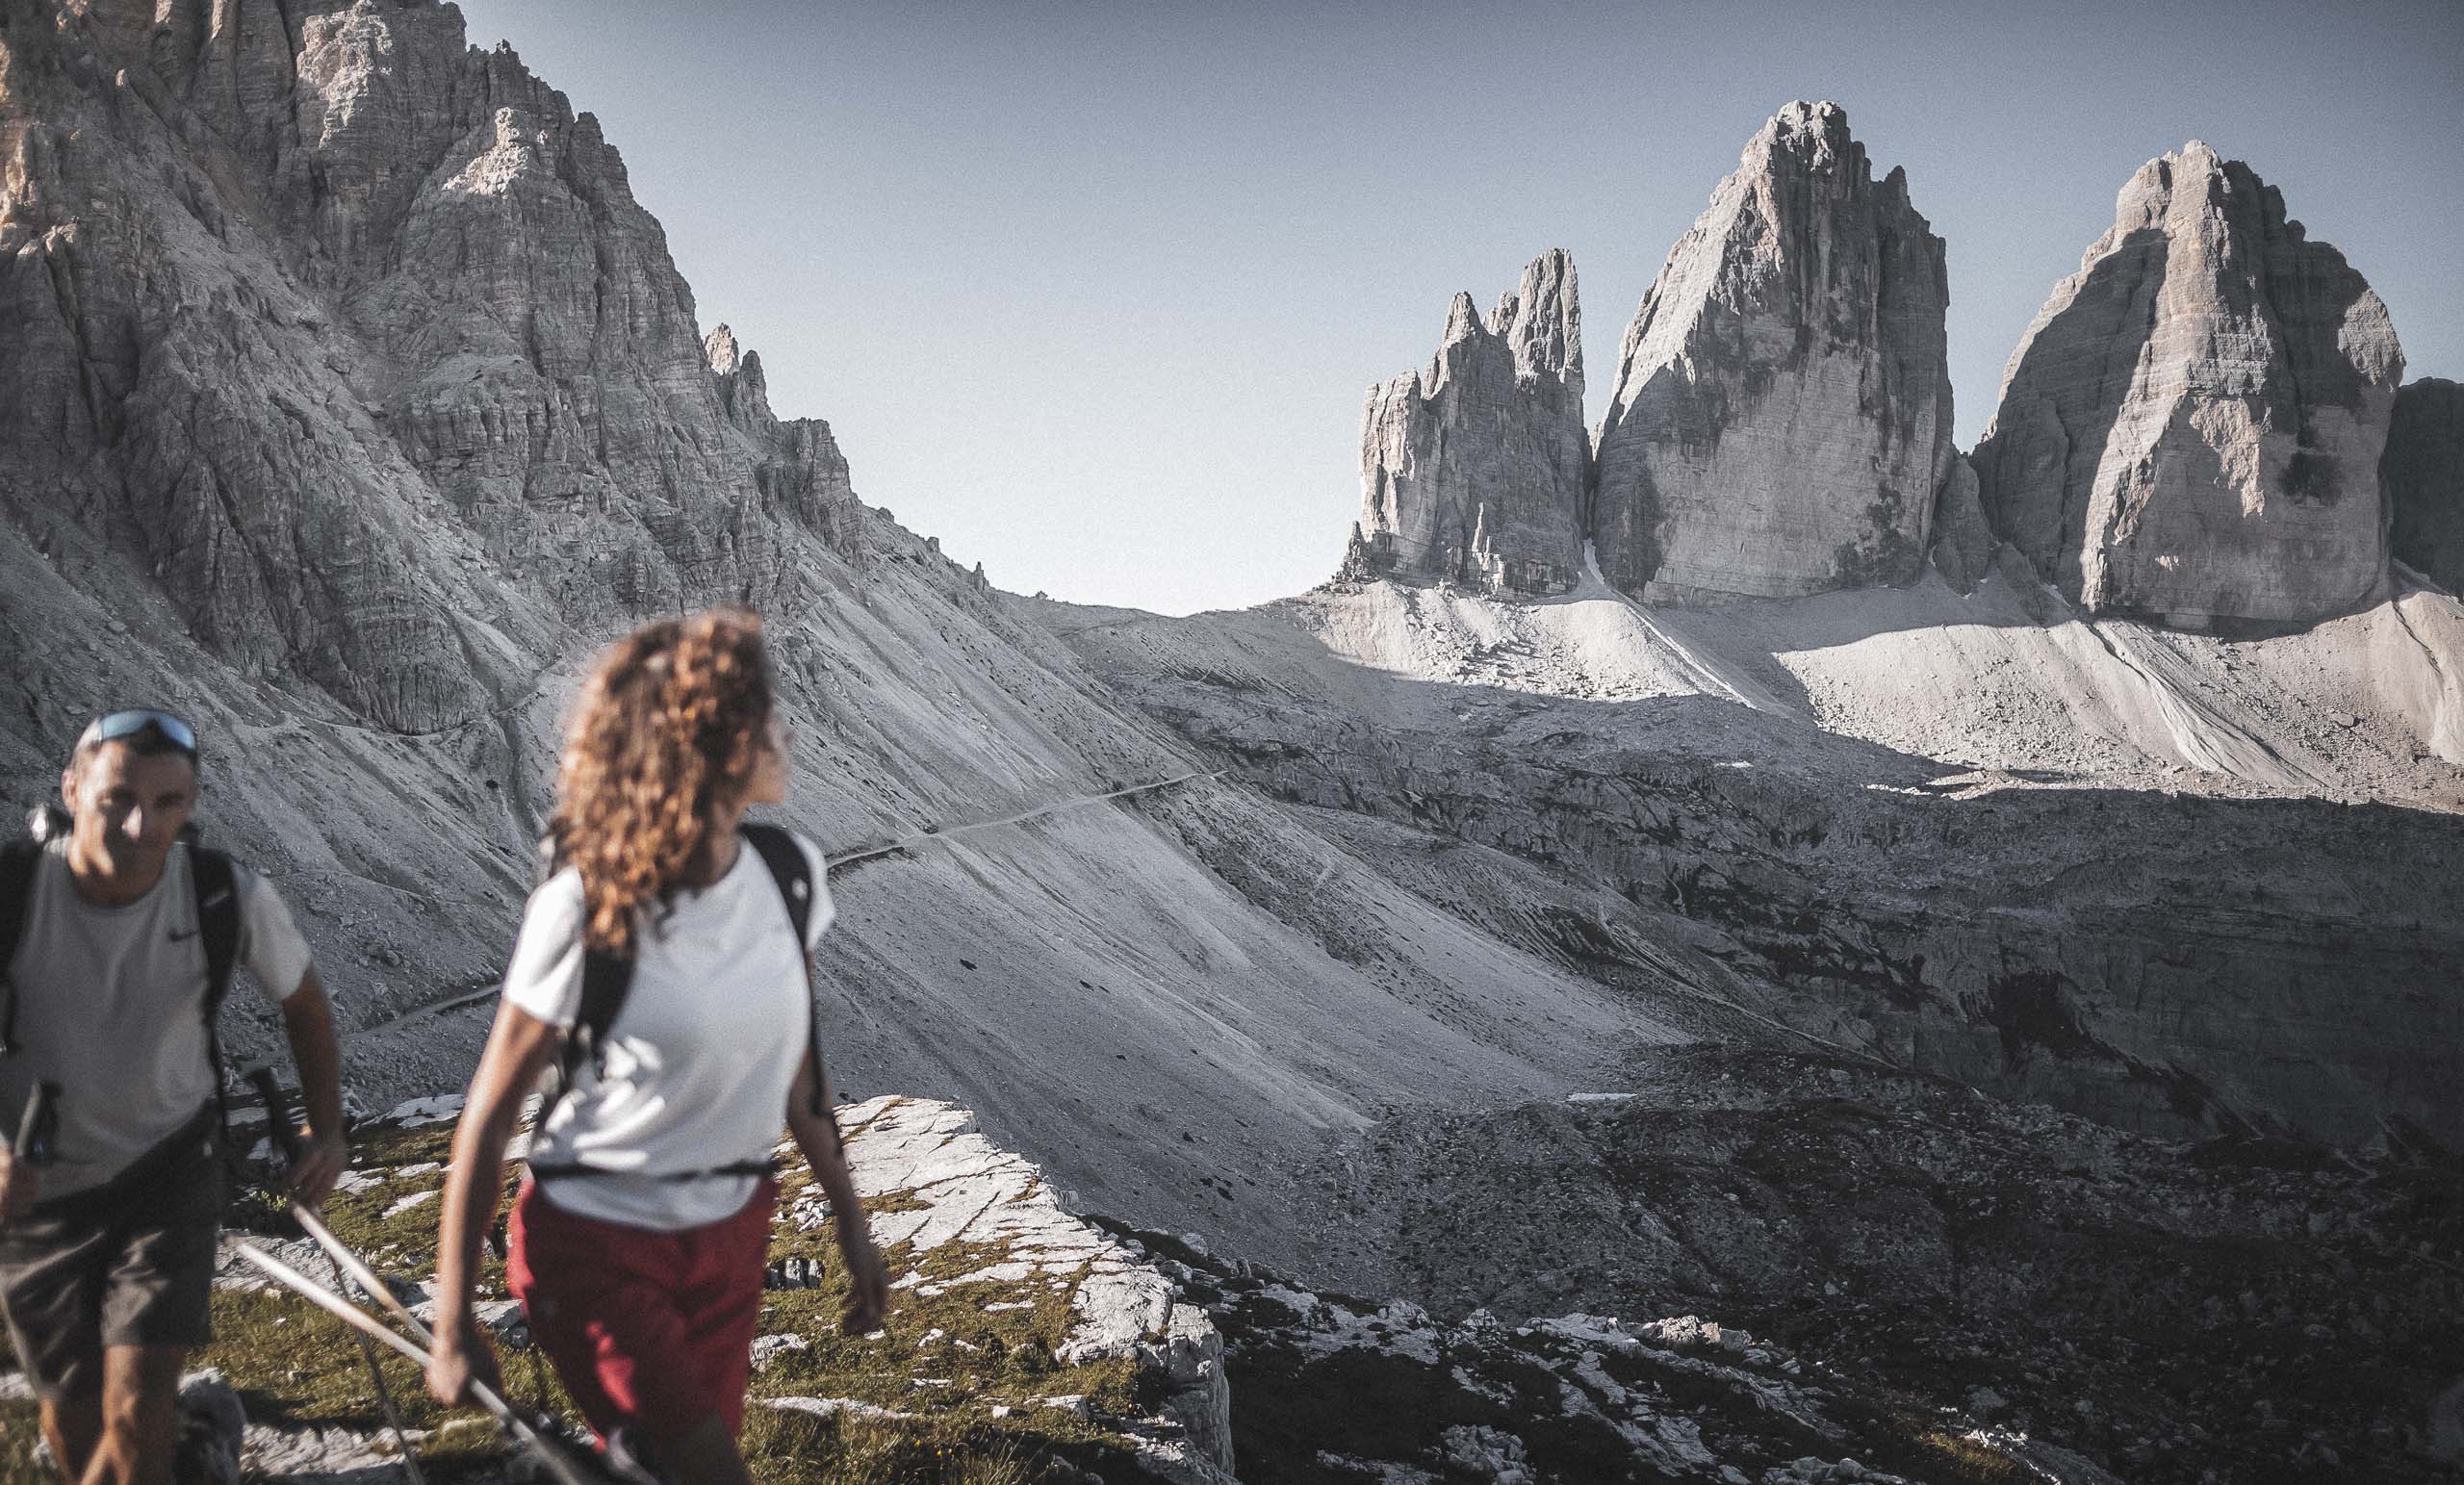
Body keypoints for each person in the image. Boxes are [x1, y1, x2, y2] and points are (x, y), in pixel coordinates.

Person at [425, 610, 887, 1485]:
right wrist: (453, 1321)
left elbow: (801, 1070)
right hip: (596, 1241)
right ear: (704, 741)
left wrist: (851, 1221)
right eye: (763, 715)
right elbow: (488, 1116)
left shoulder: (791, 876)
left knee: (657, 1469)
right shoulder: (584, 906)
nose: (785, 731)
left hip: (729, 1238)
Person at [0, 709, 347, 1485]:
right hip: (41, 1190)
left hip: (170, 1171)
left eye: (168, 804)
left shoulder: (222, 895)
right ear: (71, 788)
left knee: (136, 1402)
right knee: (73, 1411)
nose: (140, 824)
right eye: (117, 798)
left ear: (190, 804)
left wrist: (327, 1131)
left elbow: (306, 1004)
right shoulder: (16, 892)